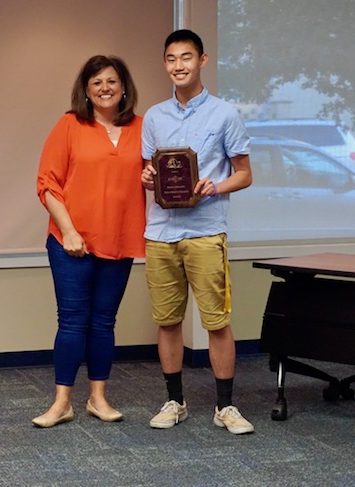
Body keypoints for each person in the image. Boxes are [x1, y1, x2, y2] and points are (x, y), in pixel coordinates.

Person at [140, 29, 254, 434]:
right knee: (168, 321)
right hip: (161, 233)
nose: (178, 66)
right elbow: (149, 173)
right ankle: (175, 401)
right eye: (171, 59)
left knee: (216, 323)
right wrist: (148, 177)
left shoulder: (224, 114)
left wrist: (215, 185)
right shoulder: (154, 117)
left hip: (206, 232)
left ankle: (225, 406)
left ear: (202, 60)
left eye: (186, 58)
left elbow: (244, 174)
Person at [33, 55, 146, 427]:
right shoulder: (70, 125)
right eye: (96, 82)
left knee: (103, 323)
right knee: (71, 322)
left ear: (124, 86)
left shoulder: (143, 128)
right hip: (71, 243)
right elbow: (47, 184)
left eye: (111, 81)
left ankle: (98, 398)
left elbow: (158, 175)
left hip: (120, 239)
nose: (104, 88)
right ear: (86, 90)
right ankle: (62, 402)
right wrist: (68, 231)